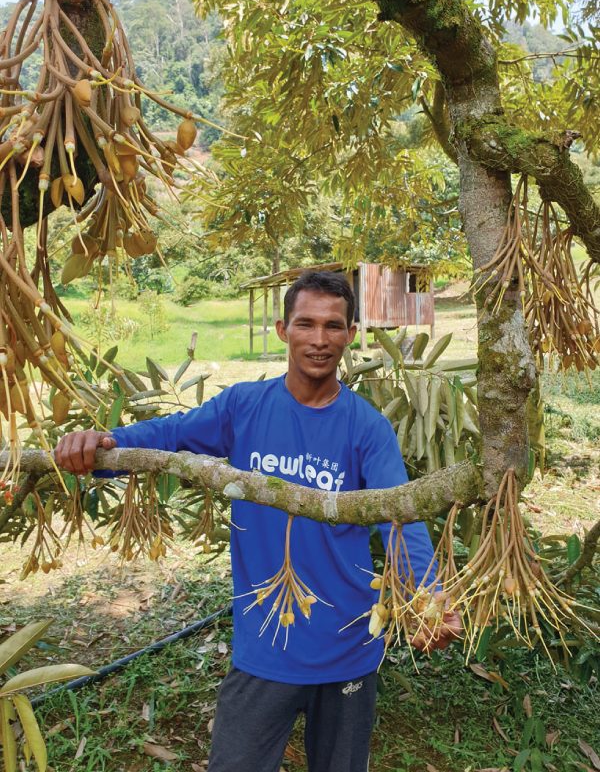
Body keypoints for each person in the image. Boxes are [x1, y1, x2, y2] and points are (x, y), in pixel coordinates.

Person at [55, 271, 460, 772]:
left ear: (351, 334)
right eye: (305, 324)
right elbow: (170, 435)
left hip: (348, 649)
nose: (319, 339)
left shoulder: (367, 428)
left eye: (333, 326)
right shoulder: (244, 407)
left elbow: (400, 518)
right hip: (267, 645)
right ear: (282, 329)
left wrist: (427, 596)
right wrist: (103, 444)